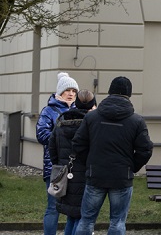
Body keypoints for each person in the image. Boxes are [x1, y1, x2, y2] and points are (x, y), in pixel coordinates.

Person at [72, 76, 153, 235]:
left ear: (109, 92)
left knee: (87, 220)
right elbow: (145, 150)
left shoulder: (91, 117)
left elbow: (78, 144)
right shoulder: (136, 121)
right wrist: (131, 167)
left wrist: (89, 163)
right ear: (129, 95)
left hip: (95, 174)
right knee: (117, 222)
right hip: (122, 177)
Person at [47, 89, 96, 235]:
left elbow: (52, 148)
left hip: (66, 174)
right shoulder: (91, 125)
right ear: (92, 105)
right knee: (82, 217)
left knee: (71, 217)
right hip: (86, 175)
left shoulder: (61, 122)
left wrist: (62, 165)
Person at [37, 72, 79, 235]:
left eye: (74, 91)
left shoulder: (79, 111)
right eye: (67, 90)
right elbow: (41, 135)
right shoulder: (48, 110)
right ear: (60, 92)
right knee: (53, 208)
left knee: (73, 210)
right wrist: (62, 139)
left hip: (75, 167)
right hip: (54, 167)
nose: (71, 94)